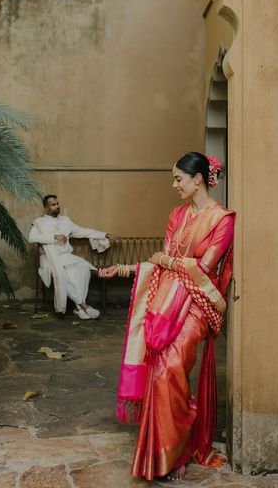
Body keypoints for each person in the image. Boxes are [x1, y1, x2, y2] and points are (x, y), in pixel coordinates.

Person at [99, 152, 235, 481]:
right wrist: (125, 269)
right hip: (169, 299)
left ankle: (178, 449)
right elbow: (163, 261)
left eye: (178, 178)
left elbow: (204, 268)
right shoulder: (177, 215)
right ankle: (167, 455)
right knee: (161, 370)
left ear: (198, 179)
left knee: (170, 370)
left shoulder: (222, 219)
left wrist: (168, 261)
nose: (174, 185)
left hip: (199, 303)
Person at [29, 195, 117, 320]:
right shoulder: (39, 222)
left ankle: (78, 308)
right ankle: (83, 305)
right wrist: (54, 237)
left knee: (82, 266)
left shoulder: (66, 221)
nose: (57, 206)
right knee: (62, 274)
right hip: (49, 258)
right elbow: (31, 238)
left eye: (57, 203)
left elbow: (84, 231)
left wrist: (105, 235)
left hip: (65, 256)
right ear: (46, 208)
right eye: (53, 205)